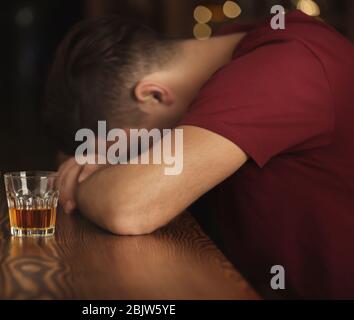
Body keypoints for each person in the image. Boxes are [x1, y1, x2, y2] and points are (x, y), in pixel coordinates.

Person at [45, 10, 354, 298]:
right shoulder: (234, 46)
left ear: (153, 94)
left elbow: (128, 208)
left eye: (132, 151)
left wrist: (80, 184)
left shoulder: (280, 67)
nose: (131, 163)